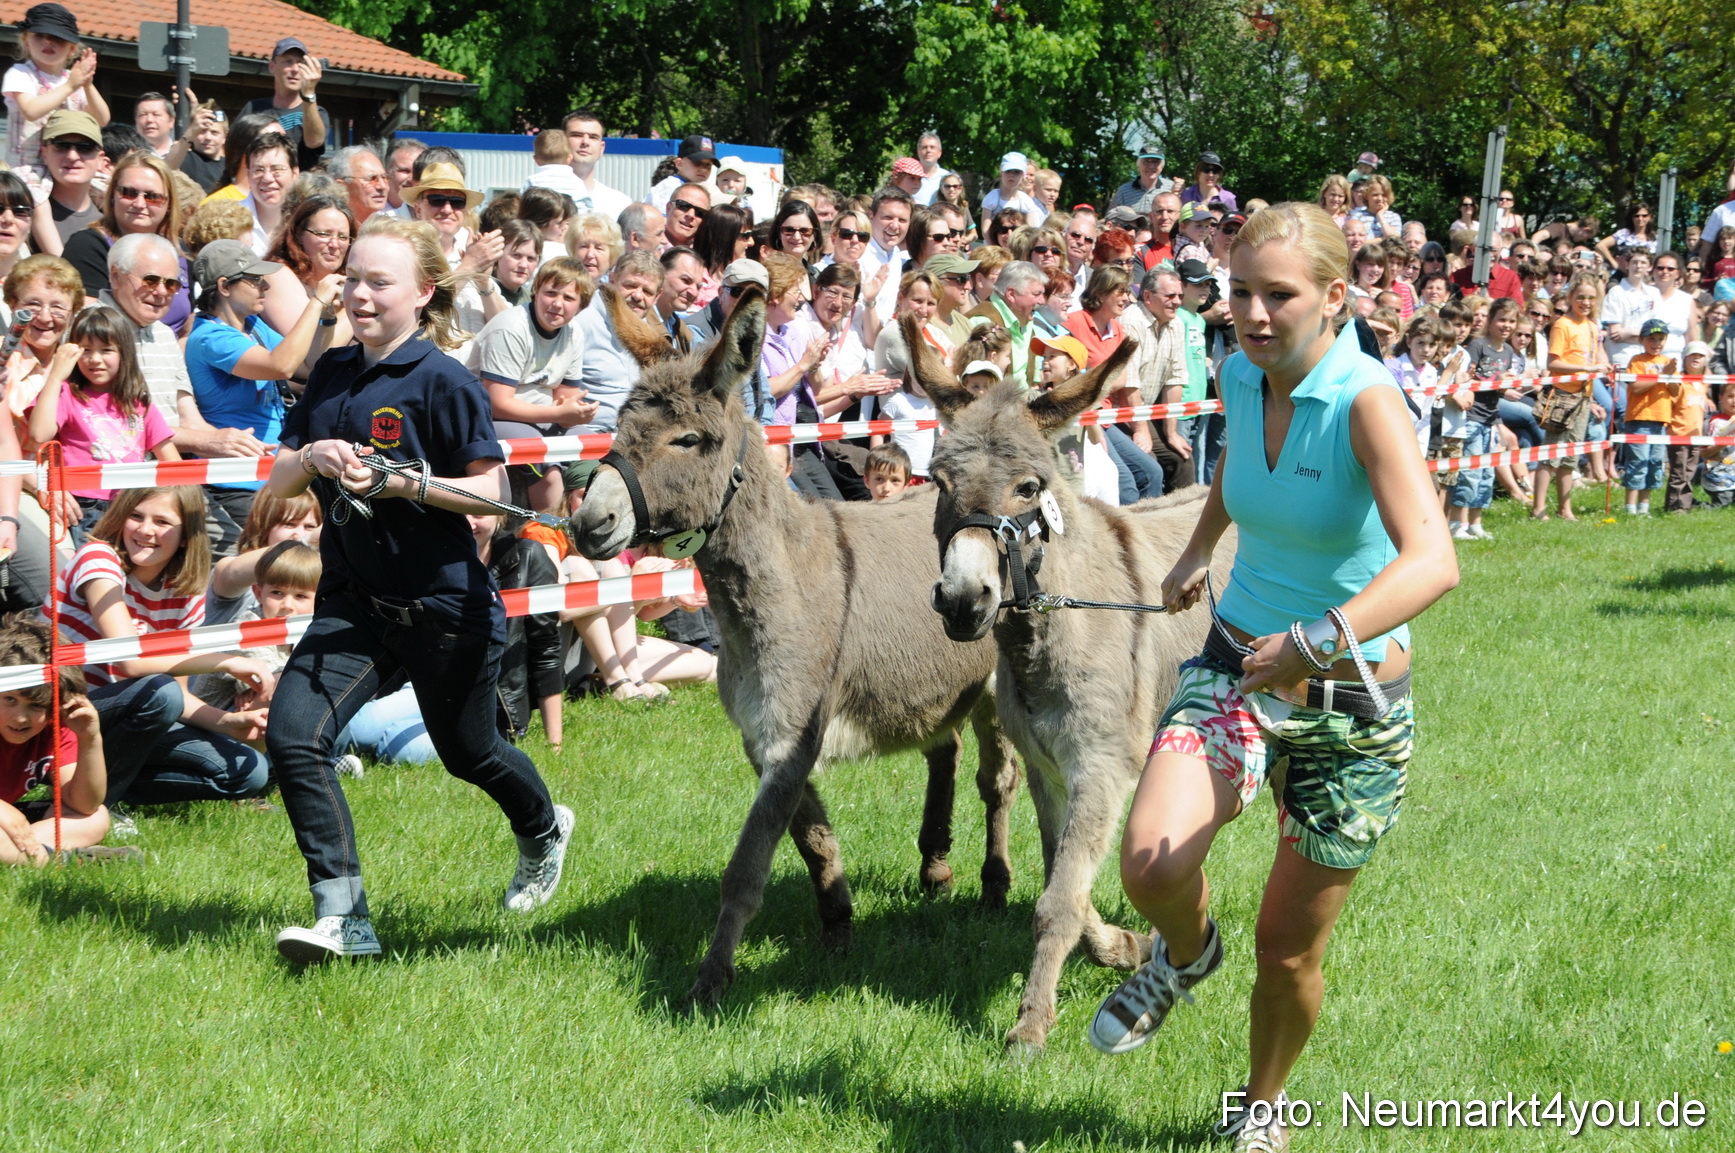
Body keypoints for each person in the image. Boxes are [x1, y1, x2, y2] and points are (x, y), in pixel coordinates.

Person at [1091, 202, 1456, 1153]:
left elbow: (1433, 561)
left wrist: (1317, 640)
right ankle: (1185, 953)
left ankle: (1261, 1106)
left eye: (1278, 295)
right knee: (1150, 864)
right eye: (1240, 291)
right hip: (1237, 666)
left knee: (1287, 952)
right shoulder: (1238, 374)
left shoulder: (1367, 400)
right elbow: (1242, 475)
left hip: (1353, 708)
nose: (1253, 314)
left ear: (1334, 297)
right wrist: (1196, 549)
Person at [265, 215, 574, 962]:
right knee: (294, 737)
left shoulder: (445, 379)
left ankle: (543, 828)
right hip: (355, 603)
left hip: (445, 606)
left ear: (424, 292)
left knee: (471, 753)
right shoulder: (330, 370)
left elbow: (491, 494)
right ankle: (344, 919)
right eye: (352, 280)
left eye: (380, 282)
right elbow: (277, 481)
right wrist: (312, 455)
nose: (360, 295)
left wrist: (403, 482)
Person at [52, 485, 274, 832]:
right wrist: (223, 660)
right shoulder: (98, 558)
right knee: (158, 692)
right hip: (64, 712)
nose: (145, 530)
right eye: (136, 516)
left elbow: (179, 695)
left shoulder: (185, 590)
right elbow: (129, 662)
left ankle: (105, 788)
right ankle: (97, 806)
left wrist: (228, 722)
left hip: (129, 715)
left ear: (186, 536)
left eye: (162, 522)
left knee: (250, 771)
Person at [186, 240, 342, 546]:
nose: (265, 287)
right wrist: (315, 302)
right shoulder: (210, 337)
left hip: (273, 478)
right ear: (224, 286)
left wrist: (328, 316)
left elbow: (309, 364)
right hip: (237, 484)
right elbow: (281, 365)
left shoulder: (254, 326)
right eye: (255, 279)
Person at [27, 305, 180, 534]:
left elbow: (173, 462)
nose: (94, 359)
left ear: (124, 353)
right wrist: (56, 376)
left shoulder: (138, 403)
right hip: (83, 505)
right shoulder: (65, 393)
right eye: (85, 350)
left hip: (131, 506)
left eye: (106, 350)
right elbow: (39, 433)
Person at [58, 150, 192, 332]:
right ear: (113, 195)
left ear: (168, 204)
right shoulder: (87, 246)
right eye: (129, 193)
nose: (139, 203)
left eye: (153, 197)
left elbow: (189, 322)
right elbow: (87, 322)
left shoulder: (179, 250)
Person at [4, 4, 108, 200]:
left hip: (68, 165)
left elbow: (102, 118)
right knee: (37, 202)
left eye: (57, 38)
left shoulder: (73, 79)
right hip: (27, 166)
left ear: (71, 49)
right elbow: (31, 111)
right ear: (26, 42)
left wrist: (87, 84)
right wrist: (71, 85)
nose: (48, 42)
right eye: (39, 36)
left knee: (108, 193)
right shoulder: (20, 73)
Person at [1533, 272, 1609, 520]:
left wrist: (1605, 367)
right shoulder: (1562, 324)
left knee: (1570, 457)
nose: (1586, 303)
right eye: (1581, 297)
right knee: (1550, 455)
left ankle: (1565, 509)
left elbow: (1597, 355)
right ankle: (1538, 508)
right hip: (1563, 397)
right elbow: (1553, 363)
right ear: (1571, 297)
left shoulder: (1592, 326)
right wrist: (1587, 369)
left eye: (1591, 298)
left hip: (1583, 397)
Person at [1447, 298, 1523, 541]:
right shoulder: (1477, 346)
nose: (1506, 325)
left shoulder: (1508, 350)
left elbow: (1498, 385)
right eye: (1501, 319)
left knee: (1487, 472)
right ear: (1490, 320)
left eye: (1511, 321)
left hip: (1491, 418)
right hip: (1472, 416)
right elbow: (1467, 380)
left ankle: (1476, 523)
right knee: (1469, 471)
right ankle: (1458, 522)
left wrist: (1506, 385)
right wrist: (1497, 384)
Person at [405, 162, 506, 336]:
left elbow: (504, 325)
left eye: (457, 202)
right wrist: (470, 265)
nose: (447, 209)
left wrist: (483, 282)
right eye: (436, 200)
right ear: (418, 209)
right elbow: (423, 311)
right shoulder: (405, 253)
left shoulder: (471, 250)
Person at [260, 193, 355, 354]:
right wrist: (356, 305)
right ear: (299, 234)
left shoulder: (347, 280)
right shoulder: (276, 274)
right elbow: (310, 349)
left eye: (343, 237)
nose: (334, 244)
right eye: (324, 234)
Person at [239, 37, 328, 172]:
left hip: (301, 184)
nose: (295, 69)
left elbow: (314, 142)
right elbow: (234, 148)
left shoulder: (316, 112)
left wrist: (309, 93)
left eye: (300, 63)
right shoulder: (254, 108)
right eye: (288, 62)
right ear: (272, 67)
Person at [1620, 319, 1677, 516]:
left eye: (1661, 339)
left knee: (1654, 464)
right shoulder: (1637, 361)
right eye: (1651, 339)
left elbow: (1675, 391)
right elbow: (1636, 388)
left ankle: (1644, 508)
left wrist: (1670, 376)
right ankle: (1630, 508)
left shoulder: (1667, 362)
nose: (1656, 343)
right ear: (1642, 340)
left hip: (1661, 420)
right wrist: (1662, 375)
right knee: (1638, 462)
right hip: (1639, 419)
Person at [1665, 339, 1709, 513]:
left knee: (1689, 472)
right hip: (1679, 433)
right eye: (1692, 355)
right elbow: (1671, 400)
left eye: (1700, 356)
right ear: (1685, 358)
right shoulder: (1680, 380)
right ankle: (1674, 506)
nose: (1696, 358)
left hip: (1696, 434)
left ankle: (1685, 504)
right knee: (1678, 472)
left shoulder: (1703, 383)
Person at [1600, 247, 1660, 368]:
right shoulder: (1616, 292)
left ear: (1649, 267)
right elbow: (1616, 334)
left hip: (1647, 359)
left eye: (1643, 263)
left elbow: (1657, 332)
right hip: (1621, 358)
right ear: (1627, 265)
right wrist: (1646, 335)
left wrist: (1630, 332)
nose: (1638, 266)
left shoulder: (1654, 293)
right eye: (1634, 262)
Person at [646, 135, 716, 212]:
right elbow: (662, 217)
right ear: (679, 164)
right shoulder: (670, 186)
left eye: (708, 165)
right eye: (697, 163)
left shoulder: (695, 187)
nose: (704, 169)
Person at [327, 144, 387, 225]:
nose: (382, 186)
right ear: (342, 186)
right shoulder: (329, 228)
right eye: (371, 179)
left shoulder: (393, 229)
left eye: (384, 177)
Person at [1111, 144, 1175, 213]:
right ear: (1139, 165)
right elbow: (1111, 216)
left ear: (1162, 166)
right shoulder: (1124, 191)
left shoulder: (1171, 188)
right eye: (1146, 161)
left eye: (1155, 162)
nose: (1151, 166)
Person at [981, 153, 1043, 224]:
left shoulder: (1026, 202)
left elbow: (1031, 229)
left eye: (1017, 172)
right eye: (1008, 171)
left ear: (1023, 175)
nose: (1011, 175)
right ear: (1001, 173)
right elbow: (986, 229)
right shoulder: (991, 198)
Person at [1702, 380, 1735, 508]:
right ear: (1720, 397)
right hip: (1719, 477)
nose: (1734, 401)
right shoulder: (1716, 423)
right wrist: (1724, 442)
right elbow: (1704, 452)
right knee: (1722, 506)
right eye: (1730, 396)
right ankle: (1694, 505)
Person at [913, 132, 951, 205]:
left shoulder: (948, 177)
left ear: (939, 153)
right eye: (924, 147)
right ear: (918, 152)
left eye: (932, 147)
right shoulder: (909, 177)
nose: (928, 150)